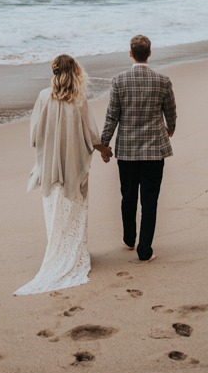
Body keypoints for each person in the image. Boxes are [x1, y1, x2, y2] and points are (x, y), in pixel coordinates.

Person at [14, 54, 109, 295]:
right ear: (74, 71)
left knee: (54, 208)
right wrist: (104, 150)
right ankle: (75, 252)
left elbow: (34, 134)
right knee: (75, 206)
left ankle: (58, 249)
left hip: (50, 165)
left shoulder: (43, 96)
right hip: (74, 164)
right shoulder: (78, 99)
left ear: (54, 72)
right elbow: (91, 134)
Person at [99, 34, 176, 262]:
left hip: (127, 151)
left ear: (130, 53)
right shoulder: (163, 81)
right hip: (154, 151)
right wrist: (170, 127)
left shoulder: (119, 81)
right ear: (149, 53)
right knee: (150, 200)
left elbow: (112, 115)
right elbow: (170, 111)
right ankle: (145, 249)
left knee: (128, 196)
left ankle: (129, 238)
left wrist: (105, 143)